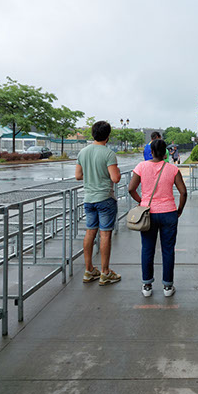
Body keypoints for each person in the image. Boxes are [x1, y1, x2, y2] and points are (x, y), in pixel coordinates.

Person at [129, 139, 187, 297]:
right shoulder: (173, 169)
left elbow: (131, 188)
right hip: (169, 213)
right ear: (166, 153)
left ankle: (147, 285)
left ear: (152, 152)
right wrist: (179, 210)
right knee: (168, 250)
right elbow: (183, 192)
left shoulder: (141, 166)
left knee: (147, 249)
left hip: (148, 213)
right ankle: (168, 287)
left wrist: (141, 201)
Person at [75, 120, 122, 286]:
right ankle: (105, 272)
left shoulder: (83, 152)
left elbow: (78, 176)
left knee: (90, 232)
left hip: (89, 199)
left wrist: (91, 174)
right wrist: (115, 173)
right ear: (107, 136)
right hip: (105, 198)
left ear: (93, 134)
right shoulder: (108, 154)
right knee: (105, 234)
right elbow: (115, 178)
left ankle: (89, 270)